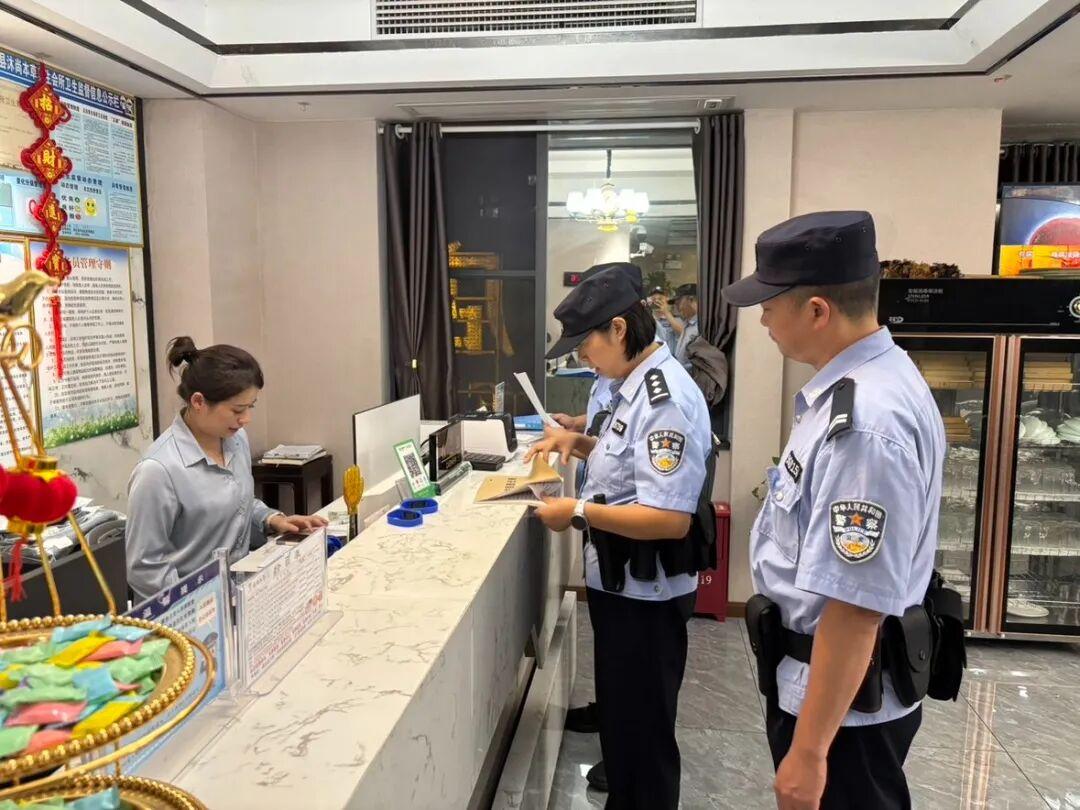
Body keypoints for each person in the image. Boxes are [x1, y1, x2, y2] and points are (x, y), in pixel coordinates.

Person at [723, 211, 944, 810]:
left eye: (771, 305)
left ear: (817, 310)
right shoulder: (862, 386)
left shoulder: (866, 423)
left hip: (845, 714)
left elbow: (855, 604)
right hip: (834, 691)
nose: (763, 321)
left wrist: (811, 751)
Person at [526, 267, 714, 810]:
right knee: (625, 726)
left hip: (647, 596)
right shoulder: (632, 386)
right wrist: (579, 442)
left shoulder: (663, 399)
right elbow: (627, 461)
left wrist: (576, 511)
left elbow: (670, 519)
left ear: (618, 329)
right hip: (621, 584)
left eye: (585, 344)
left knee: (644, 739)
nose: (584, 357)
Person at [126, 338, 328, 601]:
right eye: (237, 410)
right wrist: (201, 607)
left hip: (237, 593)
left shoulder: (235, 440)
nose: (246, 419)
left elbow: (239, 503)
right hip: (188, 612)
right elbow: (145, 567)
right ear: (198, 402)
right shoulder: (158, 470)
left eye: (250, 407)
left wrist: (272, 520)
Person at [652, 283, 699, 370]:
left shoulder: (702, 325)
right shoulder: (687, 323)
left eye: (678, 303)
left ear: (691, 300)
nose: (676, 307)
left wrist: (666, 312)